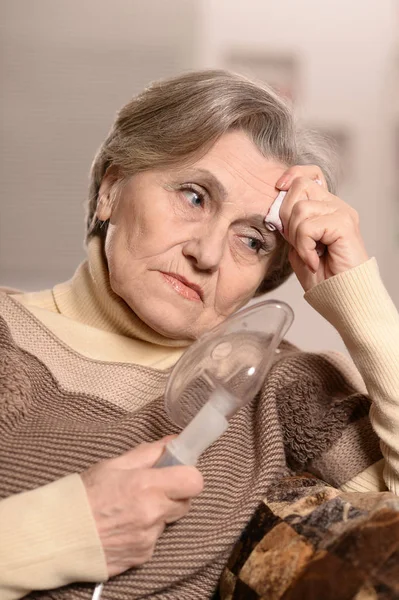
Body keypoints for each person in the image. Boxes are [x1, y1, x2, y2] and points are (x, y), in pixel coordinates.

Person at [0, 70, 398, 600]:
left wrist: (358, 299)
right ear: (112, 188)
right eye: (194, 196)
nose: (206, 255)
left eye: (253, 241)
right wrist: (61, 528)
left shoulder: (279, 390)